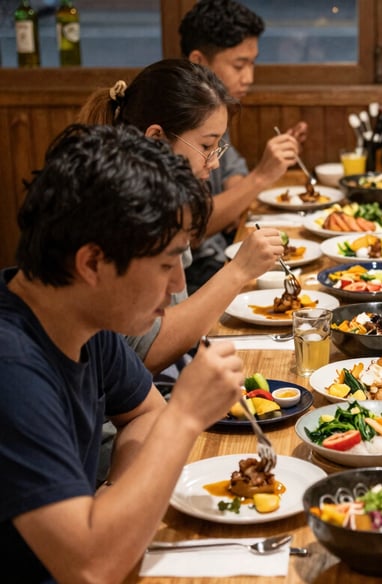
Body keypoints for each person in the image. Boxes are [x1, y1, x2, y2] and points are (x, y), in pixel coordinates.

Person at [0, 123, 244, 583]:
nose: (177, 285)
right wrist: (186, 415)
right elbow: (91, 568)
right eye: (166, 264)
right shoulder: (12, 368)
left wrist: (113, 501)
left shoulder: (82, 316)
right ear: (92, 262)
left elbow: (144, 413)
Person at [77, 59, 286, 377]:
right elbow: (146, 354)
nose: (214, 163)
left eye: (219, 147)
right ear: (156, 138)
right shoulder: (125, 211)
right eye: (206, 146)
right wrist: (238, 271)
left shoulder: (166, 199)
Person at [179, 0, 308, 292]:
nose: (249, 77)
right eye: (239, 65)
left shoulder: (212, 109)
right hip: (195, 273)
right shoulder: (180, 119)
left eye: (252, 63)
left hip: (221, 254)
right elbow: (191, 229)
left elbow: (232, 173)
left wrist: (237, 196)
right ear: (199, 61)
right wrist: (261, 176)